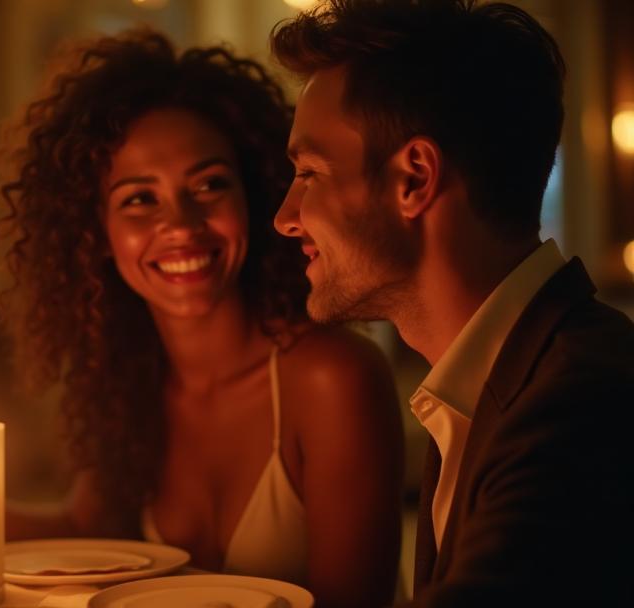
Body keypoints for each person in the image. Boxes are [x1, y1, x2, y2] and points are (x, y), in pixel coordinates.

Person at [0, 29, 405, 607]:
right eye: (140, 198)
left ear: (253, 198)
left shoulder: (332, 377)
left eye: (209, 185)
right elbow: (92, 531)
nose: (181, 224)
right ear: (95, 234)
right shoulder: (126, 376)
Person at [270, 0, 634, 605]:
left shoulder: (579, 402)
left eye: (309, 173)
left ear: (414, 178)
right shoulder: (489, 383)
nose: (285, 218)